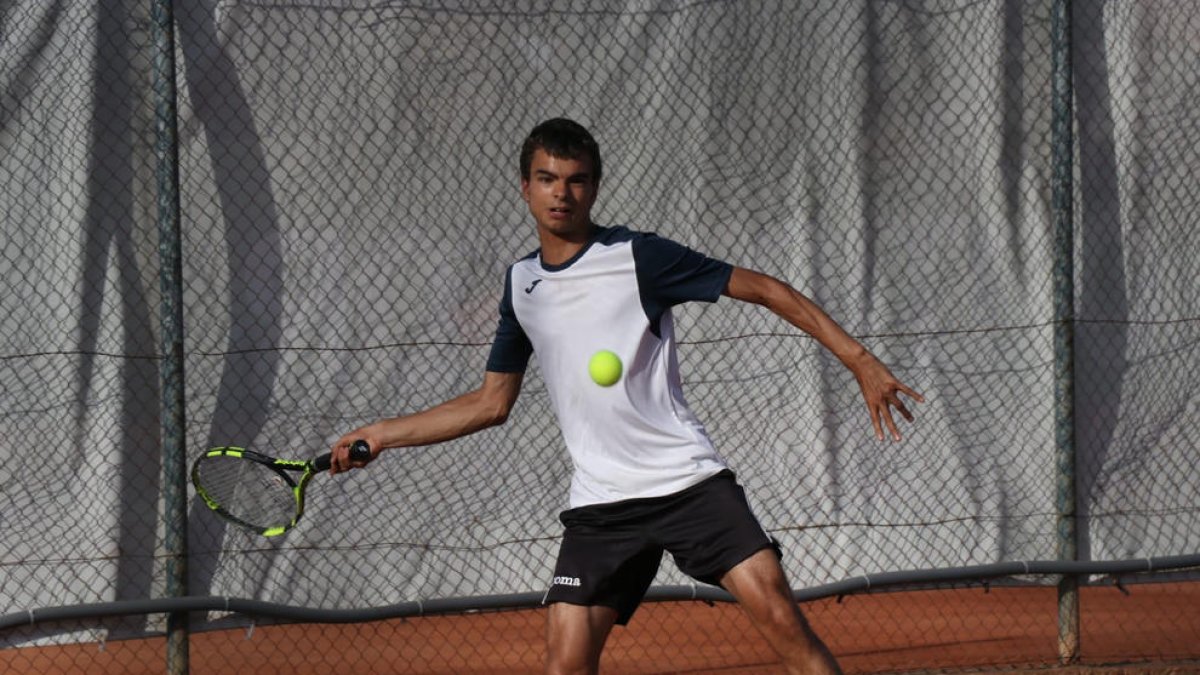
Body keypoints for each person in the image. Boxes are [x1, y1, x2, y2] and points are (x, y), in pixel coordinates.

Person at [329, 118, 923, 674]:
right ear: (526, 188)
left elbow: (766, 289)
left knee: (779, 617)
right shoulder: (521, 285)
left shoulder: (639, 257)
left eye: (576, 180)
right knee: (565, 665)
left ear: (593, 188)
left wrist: (860, 361)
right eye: (547, 180)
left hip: (687, 483)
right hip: (602, 503)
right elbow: (491, 402)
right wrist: (382, 433)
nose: (562, 193)